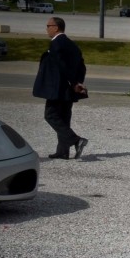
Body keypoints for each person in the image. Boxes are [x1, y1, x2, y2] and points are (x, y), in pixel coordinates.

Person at [32, 17, 88, 159]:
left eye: (48, 26)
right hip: (69, 88)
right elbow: (82, 66)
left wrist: (73, 82)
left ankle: (76, 140)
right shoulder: (72, 45)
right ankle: (63, 151)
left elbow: (61, 65)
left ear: (56, 27)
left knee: (50, 115)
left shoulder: (56, 44)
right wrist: (78, 82)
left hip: (57, 88)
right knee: (64, 117)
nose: (46, 29)